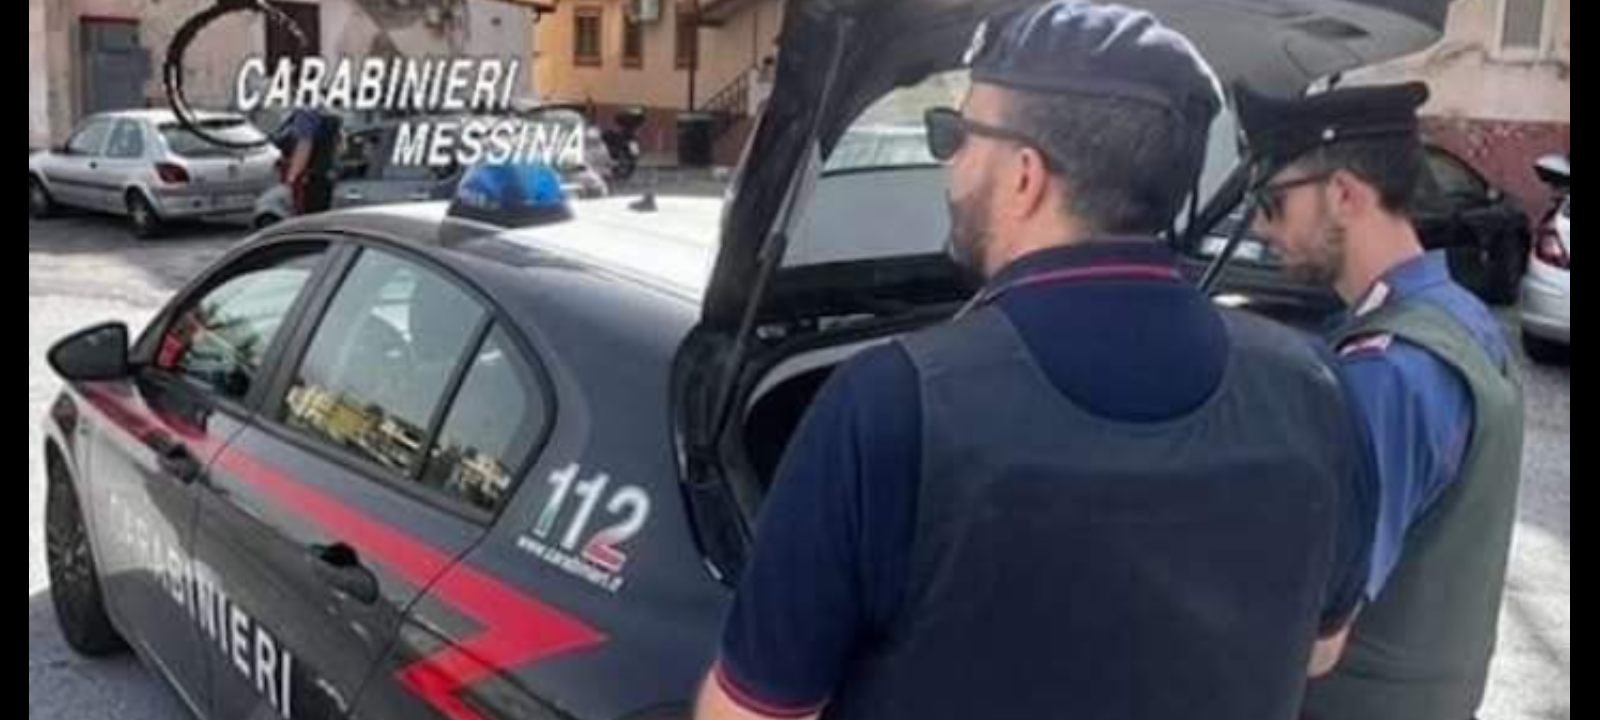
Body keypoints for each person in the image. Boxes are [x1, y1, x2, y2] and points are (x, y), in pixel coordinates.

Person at [695, 4, 1376, 720]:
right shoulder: (1315, 387)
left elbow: (752, 713)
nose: (950, 161)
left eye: (955, 135)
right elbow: (1320, 648)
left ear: (1025, 175)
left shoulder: (892, 403)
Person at [1238, 83, 1527, 720]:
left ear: (1344, 195)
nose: (1260, 226)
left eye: (1273, 202)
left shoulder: (1387, 372)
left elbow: (1314, 639)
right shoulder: (1459, 316)